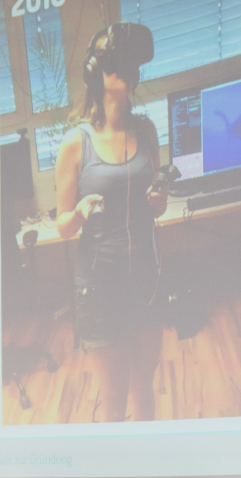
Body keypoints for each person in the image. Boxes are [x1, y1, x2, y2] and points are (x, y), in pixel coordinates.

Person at [54, 22, 170, 423]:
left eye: (130, 64)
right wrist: (81, 211)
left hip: (146, 281)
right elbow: (63, 226)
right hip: (100, 291)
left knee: (144, 388)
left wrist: (158, 199)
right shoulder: (75, 143)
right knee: (115, 400)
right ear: (96, 74)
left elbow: (157, 209)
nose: (125, 71)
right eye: (114, 64)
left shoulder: (147, 131)